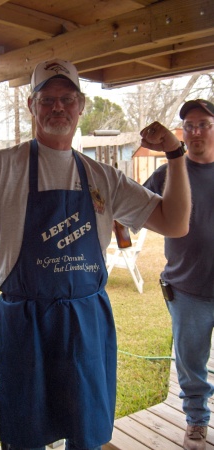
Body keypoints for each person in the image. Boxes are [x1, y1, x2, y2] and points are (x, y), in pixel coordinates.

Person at [0, 58, 191, 450]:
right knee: (26, 434)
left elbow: (175, 222)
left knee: (86, 432)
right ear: (32, 106)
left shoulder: (103, 177)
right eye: (47, 99)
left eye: (67, 99)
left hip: (86, 320)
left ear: (80, 105)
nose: (57, 108)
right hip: (25, 322)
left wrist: (176, 154)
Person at [144, 99, 214, 450]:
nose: (196, 131)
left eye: (203, 123)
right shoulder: (169, 171)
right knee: (191, 362)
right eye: (189, 125)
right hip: (187, 287)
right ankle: (197, 421)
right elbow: (133, 205)